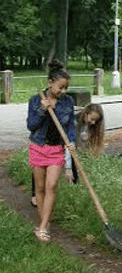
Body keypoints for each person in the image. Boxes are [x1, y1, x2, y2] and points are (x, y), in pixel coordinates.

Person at [27, 59, 76, 242]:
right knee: (39, 188)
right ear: (50, 83)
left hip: (56, 150)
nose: (63, 92)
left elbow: (70, 127)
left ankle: (42, 227)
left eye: (65, 88)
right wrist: (42, 109)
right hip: (38, 147)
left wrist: (71, 143)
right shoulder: (35, 100)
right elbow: (31, 126)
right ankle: (44, 224)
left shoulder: (68, 102)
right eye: (60, 87)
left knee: (52, 187)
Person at [30, 102, 105, 199]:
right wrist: (67, 168)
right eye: (92, 119)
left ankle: (75, 190)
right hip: (48, 138)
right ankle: (35, 194)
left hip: (63, 140)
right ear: (86, 114)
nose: (93, 123)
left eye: (96, 121)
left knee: (72, 164)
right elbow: (68, 145)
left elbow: (76, 147)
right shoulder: (72, 122)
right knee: (42, 164)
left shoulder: (85, 122)